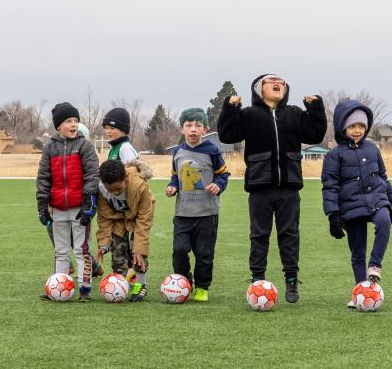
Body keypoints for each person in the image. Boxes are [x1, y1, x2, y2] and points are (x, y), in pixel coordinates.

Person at [217, 74, 327, 303]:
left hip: (289, 186)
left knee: (289, 235)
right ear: (259, 89)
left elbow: (315, 134)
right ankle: (258, 280)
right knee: (259, 235)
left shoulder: (295, 113)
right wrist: (230, 107)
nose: (278, 84)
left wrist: (316, 108)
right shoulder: (248, 114)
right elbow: (227, 135)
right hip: (260, 186)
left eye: (282, 82)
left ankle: (291, 280)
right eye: (271, 81)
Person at [321, 100, 392, 308]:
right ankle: (360, 291)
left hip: (377, 199)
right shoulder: (334, 156)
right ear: (343, 127)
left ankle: (375, 265)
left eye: (361, 126)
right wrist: (333, 215)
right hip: (351, 206)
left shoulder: (373, 149)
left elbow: (383, 177)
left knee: (384, 222)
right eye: (352, 126)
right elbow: (330, 187)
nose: (357, 131)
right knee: (357, 251)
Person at [36, 102, 99, 301]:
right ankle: (59, 286)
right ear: (58, 126)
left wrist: (89, 201)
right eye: (68, 121)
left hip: (79, 208)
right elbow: (43, 177)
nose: (73, 125)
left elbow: (92, 174)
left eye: (76, 121)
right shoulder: (49, 148)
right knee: (61, 251)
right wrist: (42, 204)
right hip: (59, 209)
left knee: (82, 250)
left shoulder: (85, 146)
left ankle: (85, 288)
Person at [166, 108, 230, 302]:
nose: (193, 129)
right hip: (183, 214)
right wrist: (172, 187)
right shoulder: (177, 152)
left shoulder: (212, 151)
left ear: (205, 129)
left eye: (198, 126)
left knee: (204, 253)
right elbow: (175, 176)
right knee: (179, 250)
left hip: (207, 214)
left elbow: (223, 174)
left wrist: (217, 185)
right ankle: (184, 282)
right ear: (181, 129)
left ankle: (202, 286)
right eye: (189, 125)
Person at [96, 159, 154, 302]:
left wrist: (139, 249)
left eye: (119, 189)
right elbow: (104, 217)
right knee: (118, 252)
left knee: (138, 252)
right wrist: (104, 243)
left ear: (126, 178)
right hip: (118, 218)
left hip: (138, 217)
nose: (115, 193)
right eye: (111, 190)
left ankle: (140, 285)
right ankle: (121, 286)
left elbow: (144, 220)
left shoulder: (139, 186)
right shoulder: (101, 189)